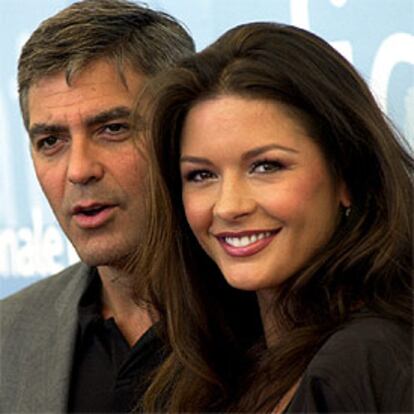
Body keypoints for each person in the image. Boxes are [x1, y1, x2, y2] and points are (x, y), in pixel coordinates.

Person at [135, 22, 413, 412]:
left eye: (266, 167)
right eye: (202, 175)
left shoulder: (370, 359)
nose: (229, 206)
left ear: (347, 175)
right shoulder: (211, 371)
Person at [0, 1, 194, 412]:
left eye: (113, 129)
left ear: (182, 132)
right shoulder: (8, 335)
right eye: (51, 141)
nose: (79, 170)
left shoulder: (282, 325)